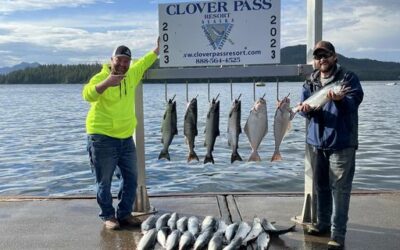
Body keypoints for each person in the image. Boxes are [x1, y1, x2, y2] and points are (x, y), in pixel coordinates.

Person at [82, 40, 159, 230]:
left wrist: (158, 49)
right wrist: (107, 83)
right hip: (101, 138)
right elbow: (87, 95)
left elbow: (144, 62)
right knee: (104, 181)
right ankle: (108, 215)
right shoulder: (100, 76)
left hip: (126, 139)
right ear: (111, 60)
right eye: (119, 60)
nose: (122, 64)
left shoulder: (131, 74)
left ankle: (124, 214)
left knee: (131, 178)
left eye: (126, 61)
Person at [297, 41, 364, 249]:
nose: (322, 59)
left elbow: (353, 103)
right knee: (321, 187)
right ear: (315, 61)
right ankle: (322, 224)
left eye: (326, 55)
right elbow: (304, 109)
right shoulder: (310, 82)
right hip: (317, 143)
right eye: (318, 56)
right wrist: (305, 109)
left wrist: (339, 100)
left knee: (340, 191)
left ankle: (338, 234)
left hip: (342, 144)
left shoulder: (348, 79)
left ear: (334, 57)